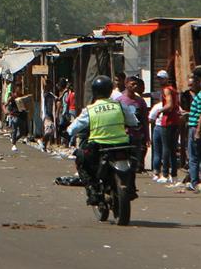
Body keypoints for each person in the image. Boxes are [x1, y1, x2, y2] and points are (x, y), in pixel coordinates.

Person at [68, 75, 139, 206]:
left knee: (81, 160)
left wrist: (67, 132)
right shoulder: (120, 105)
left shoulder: (90, 110)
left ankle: (93, 191)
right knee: (133, 159)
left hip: (98, 146)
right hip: (121, 144)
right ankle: (131, 187)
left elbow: (73, 129)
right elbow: (133, 121)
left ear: (95, 91)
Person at [112, 75, 149, 171]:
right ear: (126, 84)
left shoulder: (140, 101)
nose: (135, 86)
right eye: (132, 84)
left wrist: (147, 136)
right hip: (123, 136)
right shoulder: (119, 100)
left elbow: (145, 119)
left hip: (137, 135)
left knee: (135, 161)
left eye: (136, 84)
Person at [155, 70, 179, 184]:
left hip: (167, 121)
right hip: (174, 120)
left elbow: (170, 105)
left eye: (161, 78)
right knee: (173, 149)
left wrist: (159, 110)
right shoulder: (173, 89)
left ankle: (165, 173)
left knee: (166, 148)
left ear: (166, 79)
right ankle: (173, 174)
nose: (159, 80)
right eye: (158, 78)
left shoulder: (166, 90)